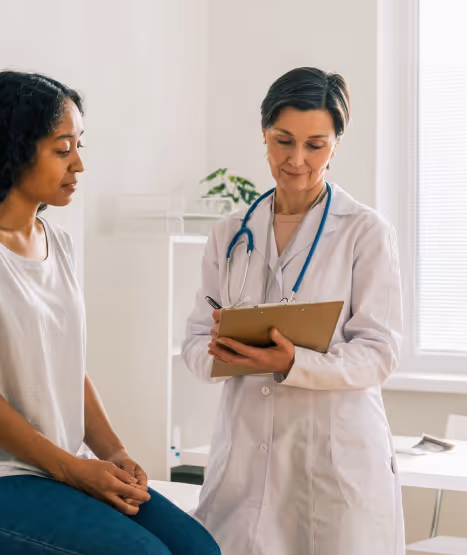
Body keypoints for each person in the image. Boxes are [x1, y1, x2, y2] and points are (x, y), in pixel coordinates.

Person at [0, 70, 219, 555]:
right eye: (63, 149)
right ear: (13, 152)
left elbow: (69, 370)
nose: (79, 165)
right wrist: (73, 468)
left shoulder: (58, 243)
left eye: (79, 147)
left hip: (50, 469)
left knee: (199, 549)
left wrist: (113, 453)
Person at [182, 67, 404, 554]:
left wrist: (293, 363)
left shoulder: (364, 231)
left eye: (315, 145)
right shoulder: (230, 232)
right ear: (264, 134)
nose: (296, 160)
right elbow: (195, 341)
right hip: (244, 458)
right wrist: (220, 351)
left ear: (337, 145)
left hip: (333, 457)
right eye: (283, 141)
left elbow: (380, 352)